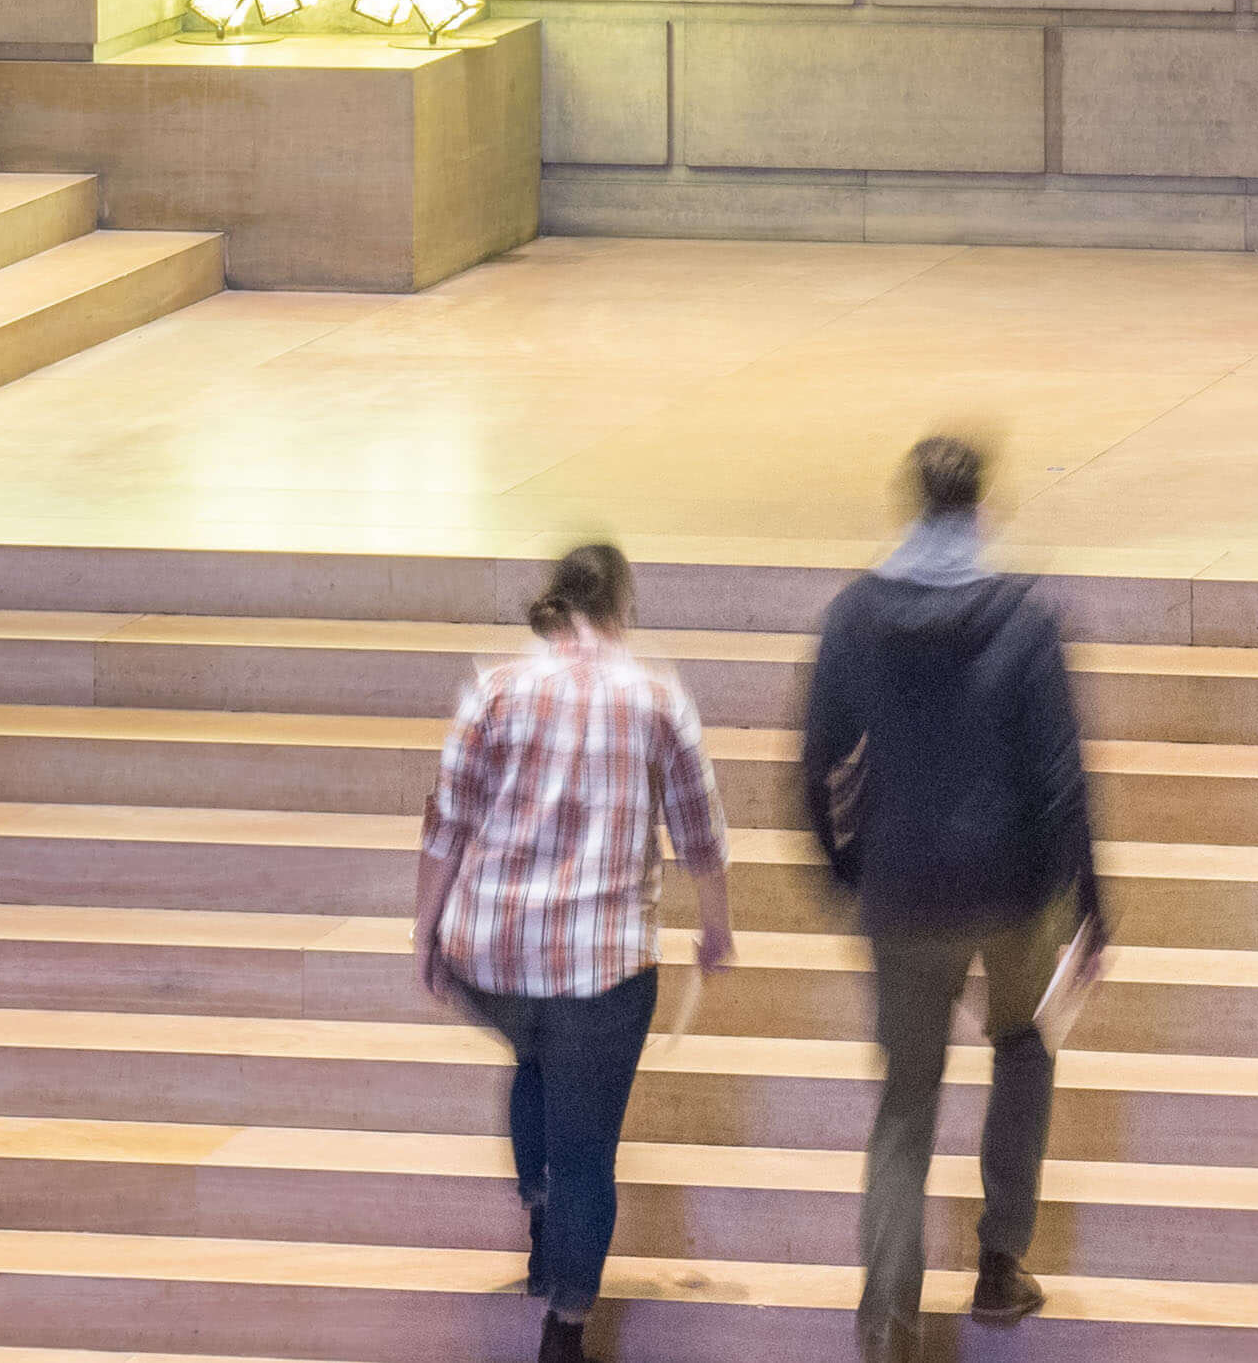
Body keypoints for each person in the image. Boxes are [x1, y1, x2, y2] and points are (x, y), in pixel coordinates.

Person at [798, 435, 1105, 1346]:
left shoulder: (856, 614)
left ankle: (887, 1324)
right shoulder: (1024, 615)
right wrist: (1091, 899)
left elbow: (814, 762)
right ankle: (1000, 1270)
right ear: (979, 508)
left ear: (910, 506)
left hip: (901, 892)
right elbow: (1061, 773)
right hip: (1013, 890)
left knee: (905, 1100)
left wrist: (845, 866)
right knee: (1021, 1049)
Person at [416, 540, 732, 1363]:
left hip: (497, 953)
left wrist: (425, 928)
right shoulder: (656, 699)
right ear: (622, 608)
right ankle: (566, 1326)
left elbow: (446, 819)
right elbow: (700, 827)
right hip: (604, 965)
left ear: (556, 603)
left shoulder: (497, 688)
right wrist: (716, 923)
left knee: (533, 1058)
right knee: (588, 1147)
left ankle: (540, 1219)